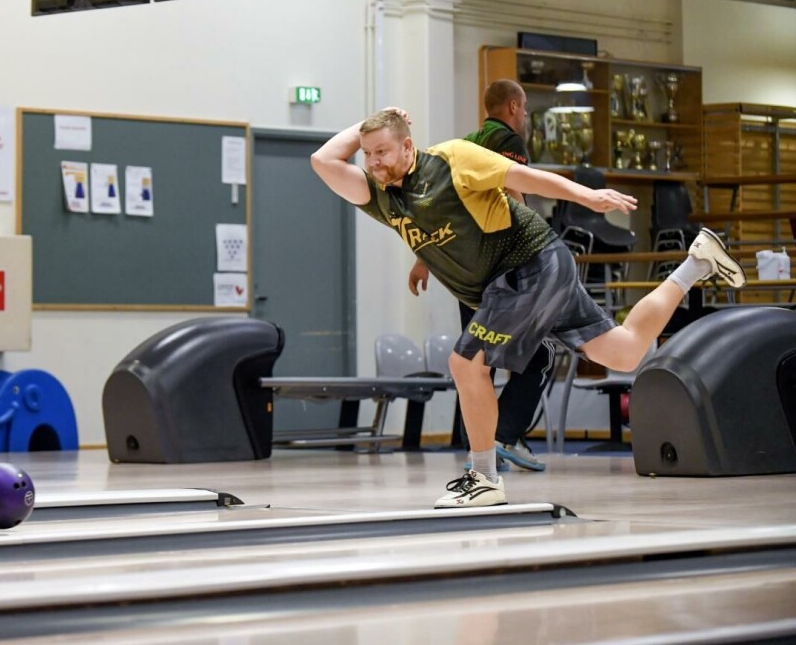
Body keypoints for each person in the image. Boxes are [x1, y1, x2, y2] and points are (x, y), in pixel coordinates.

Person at [310, 106, 745, 508]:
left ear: (409, 145)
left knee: (466, 363)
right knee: (624, 351)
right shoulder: (384, 198)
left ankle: (483, 478)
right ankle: (697, 262)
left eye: (382, 151)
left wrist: (585, 197)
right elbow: (323, 162)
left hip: (529, 264)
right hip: (517, 282)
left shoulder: (452, 159)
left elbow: (523, 179)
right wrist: (367, 128)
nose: (373, 162)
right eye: (367, 154)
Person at [408, 79, 549, 473]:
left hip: (465, 273)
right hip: (503, 269)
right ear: (513, 106)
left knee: (476, 361)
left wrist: (424, 258)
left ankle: (480, 449)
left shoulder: (464, 144)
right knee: (540, 355)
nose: (523, 115)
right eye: (523, 108)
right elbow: (516, 194)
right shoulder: (508, 140)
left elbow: (436, 210)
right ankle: (503, 436)